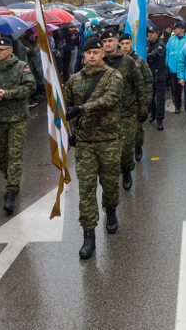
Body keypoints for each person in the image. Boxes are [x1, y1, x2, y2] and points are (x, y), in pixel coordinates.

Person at [64, 36, 123, 260]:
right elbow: (66, 107)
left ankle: (111, 210)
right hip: (85, 143)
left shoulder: (113, 76)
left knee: (110, 184)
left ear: (102, 54)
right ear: (84, 54)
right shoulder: (74, 80)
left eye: (96, 52)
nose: (92, 56)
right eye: (88, 52)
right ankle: (89, 236)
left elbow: (111, 99)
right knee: (86, 189)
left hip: (108, 140)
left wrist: (81, 109)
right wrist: (69, 132)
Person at [0, 37, 36, 214]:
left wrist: (8, 94)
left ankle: (11, 191)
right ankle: (11, 180)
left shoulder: (21, 66)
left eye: (1, 50)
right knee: (2, 157)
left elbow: (30, 87)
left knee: (14, 156)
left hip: (16, 119)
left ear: (10, 50)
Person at [101, 30, 147, 191]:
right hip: (105, 114)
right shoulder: (97, 61)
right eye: (104, 41)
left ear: (116, 42)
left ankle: (127, 170)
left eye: (110, 40)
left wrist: (143, 108)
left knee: (127, 149)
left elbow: (139, 84)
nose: (107, 44)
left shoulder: (128, 61)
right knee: (108, 151)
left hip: (126, 112)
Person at [119, 33, 153, 162]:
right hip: (122, 103)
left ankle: (138, 146)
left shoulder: (138, 61)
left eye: (127, 43)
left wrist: (147, 101)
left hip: (137, 102)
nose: (125, 46)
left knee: (138, 130)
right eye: (122, 44)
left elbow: (148, 81)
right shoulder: (116, 61)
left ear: (131, 44)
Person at [146, 26, 168, 130]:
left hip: (160, 75)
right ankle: (153, 113)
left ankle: (160, 119)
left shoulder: (161, 44)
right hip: (150, 75)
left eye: (152, 33)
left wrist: (145, 54)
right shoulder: (147, 43)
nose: (150, 34)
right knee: (150, 98)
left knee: (160, 99)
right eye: (149, 33)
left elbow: (156, 54)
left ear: (157, 33)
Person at [166, 22, 186, 115]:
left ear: (181, 29)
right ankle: (178, 106)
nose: (173, 30)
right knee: (176, 89)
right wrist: (167, 64)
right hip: (173, 68)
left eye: (175, 28)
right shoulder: (171, 39)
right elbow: (167, 52)